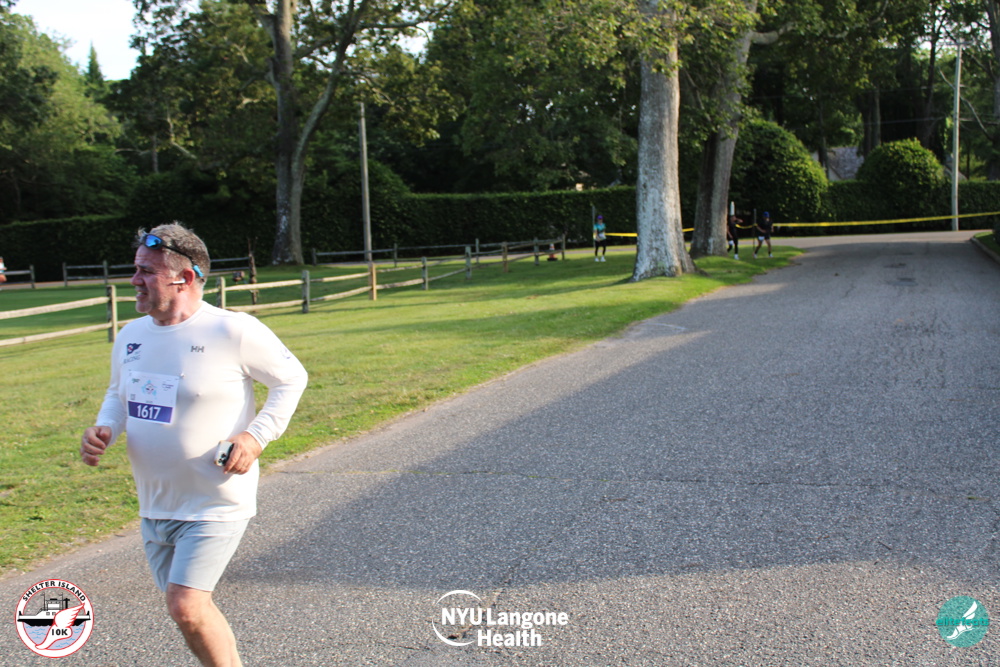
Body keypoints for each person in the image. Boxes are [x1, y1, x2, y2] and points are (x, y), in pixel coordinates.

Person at [80, 222, 308, 667]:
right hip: (155, 503)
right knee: (188, 613)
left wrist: (255, 436)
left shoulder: (232, 330)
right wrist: (105, 427)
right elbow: (118, 393)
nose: (134, 280)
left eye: (146, 271)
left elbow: (291, 379)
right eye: (136, 269)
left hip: (214, 500)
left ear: (183, 278)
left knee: (186, 606)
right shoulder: (131, 335)